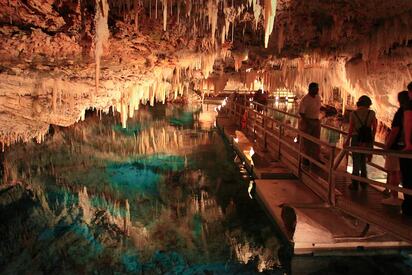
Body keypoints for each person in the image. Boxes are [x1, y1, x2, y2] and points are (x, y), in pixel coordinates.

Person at [382, 91, 409, 205]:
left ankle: (394, 197)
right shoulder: (409, 111)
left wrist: (387, 145)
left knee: (394, 172)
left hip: (396, 147)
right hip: (406, 148)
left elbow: (394, 131)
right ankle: (406, 198)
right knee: (403, 173)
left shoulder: (400, 112)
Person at [344, 95, 377, 190]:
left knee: (356, 160)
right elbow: (374, 127)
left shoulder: (354, 114)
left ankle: (354, 183)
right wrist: (372, 138)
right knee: (363, 160)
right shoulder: (371, 113)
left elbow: (350, 129)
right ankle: (364, 182)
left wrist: (347, 141)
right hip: (367, 139)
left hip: (355, 138)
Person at [298, 82, 322, 166]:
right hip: (307, 121)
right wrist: (307, 121)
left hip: (316, 120)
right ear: (311, 89)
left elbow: (318, 107)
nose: (318, 90)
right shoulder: (305, 99)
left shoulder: (318, 97)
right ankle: (305, 158)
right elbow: (301, 112)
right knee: (306, 141)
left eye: (317, 89)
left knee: (316, 141)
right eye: (316, 89)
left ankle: (315, 158)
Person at [400, 82, 412, 216]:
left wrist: (408, 143)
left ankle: (408, 207)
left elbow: (408, 122)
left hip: (410, 149)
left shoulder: (409, 105)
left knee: (408, 178)